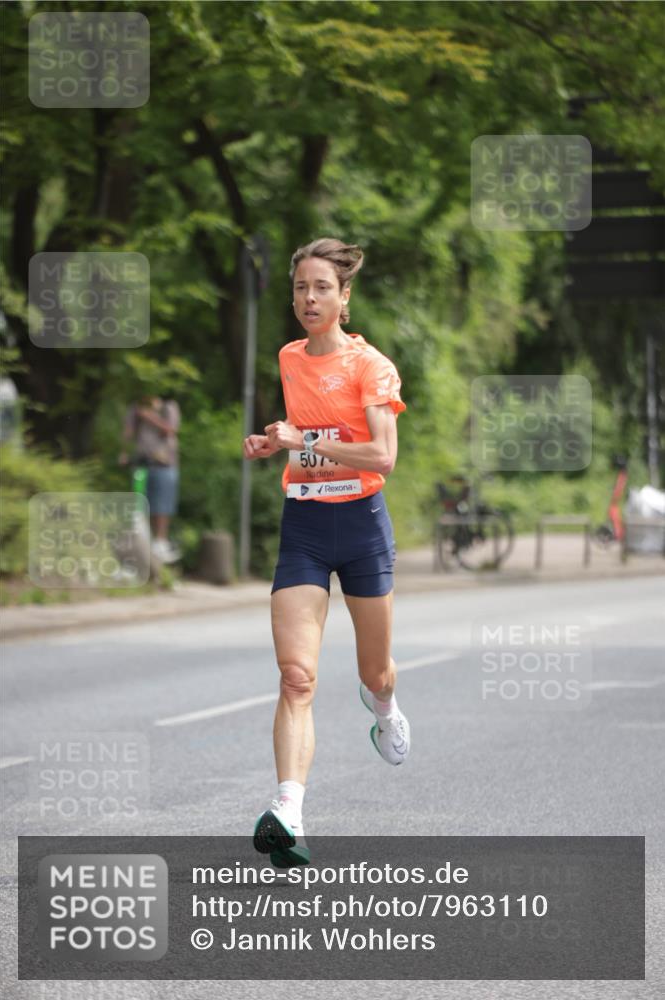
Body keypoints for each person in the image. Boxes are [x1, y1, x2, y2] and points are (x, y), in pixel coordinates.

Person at [243, 237, 410, 867]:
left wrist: (301, 439)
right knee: (296, 676)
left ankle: (386, 707)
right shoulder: (290, 357)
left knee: (376, 671)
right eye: (299, 289)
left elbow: (381, 455)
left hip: (363, 525)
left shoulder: (373, 366)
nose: (308, 299)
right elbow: (304, 444)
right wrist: (273, 444)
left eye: (321, 288)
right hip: (306, 526)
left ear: (344, 297)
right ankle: (289, 810)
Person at [119, 394, 181, 564]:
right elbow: (128, 430)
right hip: (141, 463)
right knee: (139, 503)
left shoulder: (168, 406)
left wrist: (149, 416)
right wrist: (124, 452)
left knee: (162, 505)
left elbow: (170, 430)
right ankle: (141, 540)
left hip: (164, 463)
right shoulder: (136, 406)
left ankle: (160, 542)